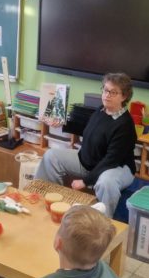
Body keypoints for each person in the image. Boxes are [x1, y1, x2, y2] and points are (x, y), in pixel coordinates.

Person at [35, 72, 137, 217]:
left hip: (117, 167)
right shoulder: (101, 110)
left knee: (106, 183)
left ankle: (102, 222)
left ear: (124, 96)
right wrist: (61, 123)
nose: (107, 95)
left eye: (113, 92)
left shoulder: (125, 124)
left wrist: (85, 181)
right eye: (105, 90)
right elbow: (85, 129)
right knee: (51, 156)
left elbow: (111, 160)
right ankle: (48, 202)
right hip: (89, 162)